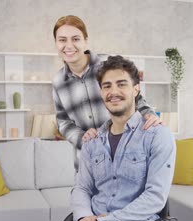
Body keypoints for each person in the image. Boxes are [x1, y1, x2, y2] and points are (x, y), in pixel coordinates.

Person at [33, 55, 176, 221]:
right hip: (94, 220)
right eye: (107, 86)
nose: (113, 92)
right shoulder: (93, 140)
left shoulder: (157, 135)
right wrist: (84, 219)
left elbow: (155, 197)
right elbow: (82, 188)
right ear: (101, 93)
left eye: (121, 84)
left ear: (136, 89)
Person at [52, 15, 161, 151]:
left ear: (85, 41)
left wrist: (149, 115)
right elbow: (63, 121)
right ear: (56, 43)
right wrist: (81, 137)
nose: (69, 45)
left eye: (75, 39)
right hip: (87, 161)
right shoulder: (58, 82)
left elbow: (136, 98)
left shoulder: (109, 65)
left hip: (128, 154)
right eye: (62, 40)